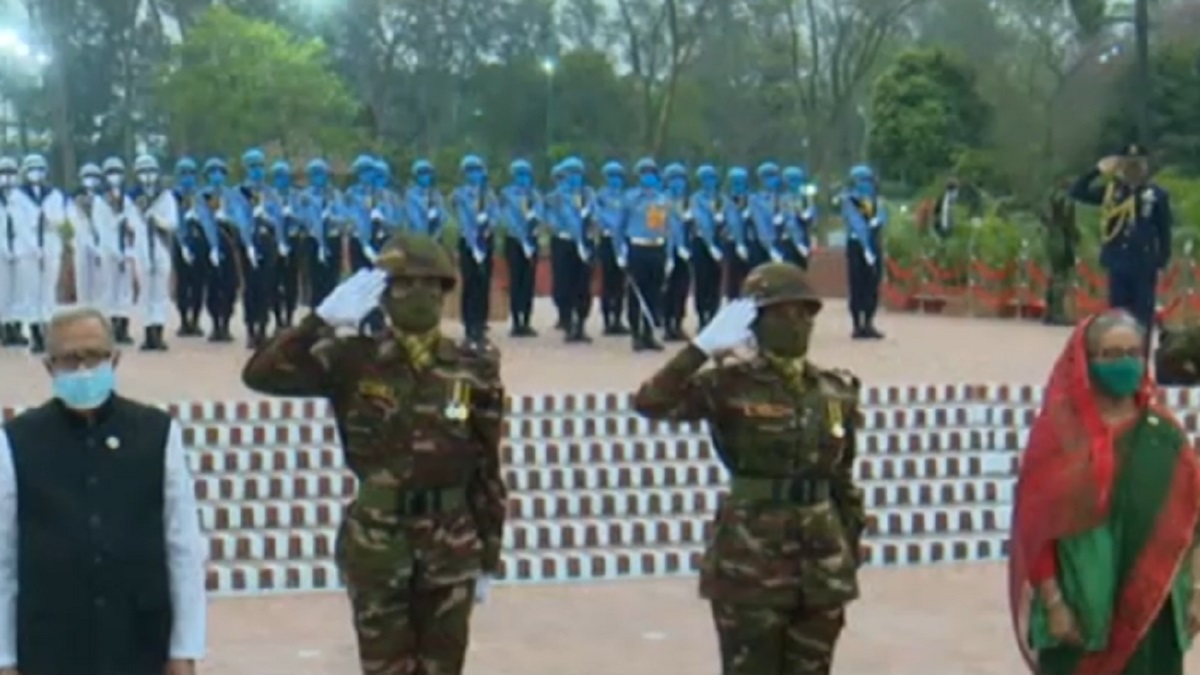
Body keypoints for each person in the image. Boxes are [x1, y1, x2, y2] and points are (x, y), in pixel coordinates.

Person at [241, 232, 507, 675]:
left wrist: (488, 554)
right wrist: (318, 322)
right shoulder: (350, 359)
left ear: (444, 292)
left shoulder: (473, 365)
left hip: (451, 542)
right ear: (383, 295)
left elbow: (487, 464)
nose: (417, 293)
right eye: (403, 284)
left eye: (429, 284)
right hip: (378, 544)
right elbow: (261, 375)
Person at [632, 263, 866, 675]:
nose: (796, 324)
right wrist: (700, 349)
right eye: (782, 314)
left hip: (820, 569)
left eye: (804, 314)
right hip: (751, 562)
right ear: (754, 322)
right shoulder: (727, 384)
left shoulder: (835, 390)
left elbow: (842, 479)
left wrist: (846, 549)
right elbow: (651, 402)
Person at [0, 306, 206, 675]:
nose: (83, 369)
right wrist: (4, 659)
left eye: (93, 356)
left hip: (139, 641)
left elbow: (183, 548)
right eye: (69, 359)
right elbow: (4, 558)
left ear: (115, 359)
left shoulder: (156, 434)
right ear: (50, 367)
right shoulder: (17, 442)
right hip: (51, 647)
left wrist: (184, 649)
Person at [1008, 310, 1200, 674]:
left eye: (1133, 353)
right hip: (1079, 616)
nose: (1125, 363)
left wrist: (1196, 593)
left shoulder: (1165, 435)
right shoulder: (1059, 437)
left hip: (1152, 616)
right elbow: (1035, 532)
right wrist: (1054, 603)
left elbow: (1194, 517)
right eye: (1111, 354)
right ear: (1086, 361)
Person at [1069, 145, 1172, 352]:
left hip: (1144, 265)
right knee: (1117, 318)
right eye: (1128, 161)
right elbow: (1077, 192)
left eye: (1138, 162)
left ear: (1145, 164)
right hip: (1118, 263)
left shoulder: (1156, 194)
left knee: (1142, 319)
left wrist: (1160, 260)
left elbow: (1164, 231)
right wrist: (1098, 171)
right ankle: (1118, 359)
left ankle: (1141, 365)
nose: (1133, 166)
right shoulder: (1113, 191)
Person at [129, 154, 178, 351]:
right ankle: (148, 331)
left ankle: (159, 331)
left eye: (150, 171)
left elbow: (172, 223)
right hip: (141, 248)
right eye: (142, 172)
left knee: (160, 292)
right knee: (145, 292)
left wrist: (156, 220)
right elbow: (130, 223)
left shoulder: (166, 196)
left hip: (161, 247)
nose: (147, 176)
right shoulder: (131, 197)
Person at [451, 154, 499, 348]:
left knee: (483, 283)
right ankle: (469, 326)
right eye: (470, 171)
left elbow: (496, 214)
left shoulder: (489, 194)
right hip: (467, 242)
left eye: (477, 170)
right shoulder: (459, 194)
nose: (475, 174)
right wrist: (473, 238)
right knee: (470, 282)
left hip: (486, 241)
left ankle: (480, 324)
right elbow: (461, 216)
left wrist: (487, 226)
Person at [840, 165, 887, 340]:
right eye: (862, 180)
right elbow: (856, 223)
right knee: (857, 283)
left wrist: (878, 221)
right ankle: (856, 324)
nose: (866, 184)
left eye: (868, 180)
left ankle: (869, 322)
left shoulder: (876, 200)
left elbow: (882, 216)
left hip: (874, 244)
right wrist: (865, 247)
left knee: (873, 283)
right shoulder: (849, 200)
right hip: (857, 244)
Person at [499, 159, 543, 337]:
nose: (523, 178)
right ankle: (516, 321)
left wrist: (532, 231)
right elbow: (505, 217)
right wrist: (520, 234)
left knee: (529, 281)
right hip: (514, 242)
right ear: (513, 176)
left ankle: (527, 320)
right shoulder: (506, 194)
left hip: (532, 241)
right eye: (519, 174)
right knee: (516, 280)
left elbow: (540, 215)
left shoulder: (535, 195)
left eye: (525, 174)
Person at [172, 158, 208, 338]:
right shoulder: (173, 196)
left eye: (191, 174)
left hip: (199, 244)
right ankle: (183, 320)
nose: (188, 178)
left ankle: (196, 320)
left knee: (198, 284)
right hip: (180, 244)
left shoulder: (201, 197)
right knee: (182, 285)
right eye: (184, 174)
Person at [595, 161, 630, 335]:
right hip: (608, 241)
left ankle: (618, 318)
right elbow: (599, 217)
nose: (615, 180)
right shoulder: (600, 197)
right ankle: (607, 319)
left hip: (623, 242)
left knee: (620, 282)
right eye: (612, 177)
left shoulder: (626, 197)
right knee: (608, 281)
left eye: (618, 177)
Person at [1041, 174, 1080, 326]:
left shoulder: (1049, 196)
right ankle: (1058, 314)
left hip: (1051, 238)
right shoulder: (1066, 198)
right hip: (1062, 239)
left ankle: (1049, 312)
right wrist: (1076, 236)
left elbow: (1044, 217)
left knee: (1052, 276)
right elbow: (1069, 222)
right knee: (1060, 278)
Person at [689, 164, 724, 329]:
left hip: (719, 242)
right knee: (702, 280)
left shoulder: (722, 199)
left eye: (711, 178)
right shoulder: (696, 199)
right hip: (701, 243)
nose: (708, 182)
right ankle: (702, 316)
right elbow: (700, 222)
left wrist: (723, 220)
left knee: (716, 280)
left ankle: (714, 314)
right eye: (704, 179)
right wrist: (710, 246)